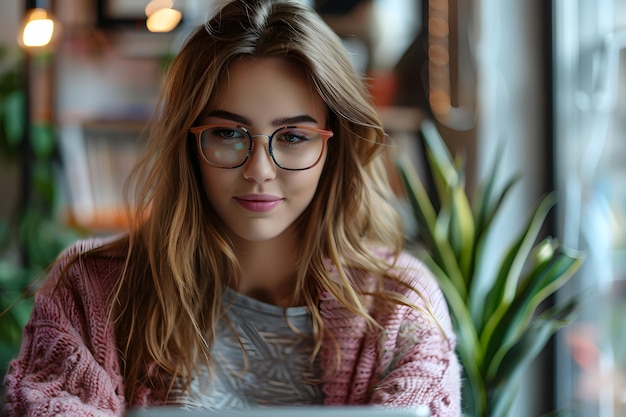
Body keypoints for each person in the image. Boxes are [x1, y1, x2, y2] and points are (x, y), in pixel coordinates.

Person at [2, 0, 461, 416]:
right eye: (228, 133)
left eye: (295, 137)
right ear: (189, 142)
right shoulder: (88, 291)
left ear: (336, 148)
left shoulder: (400, 306)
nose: (259, 170)